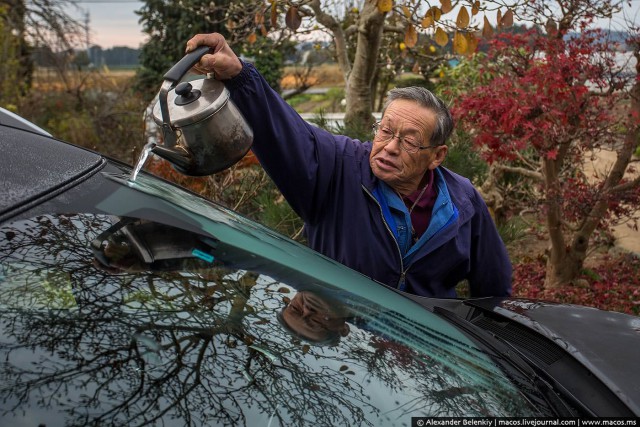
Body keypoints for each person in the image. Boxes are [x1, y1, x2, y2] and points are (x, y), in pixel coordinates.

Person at [184, 33, 512, 298]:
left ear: (437, 156)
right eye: (386, 131)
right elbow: (285, 132)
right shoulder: (338, 167)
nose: (390, 147)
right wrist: (240, 76)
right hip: (349, 355)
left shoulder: (462, 200)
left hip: (426, 363)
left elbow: (493, 287)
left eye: (409, 141)